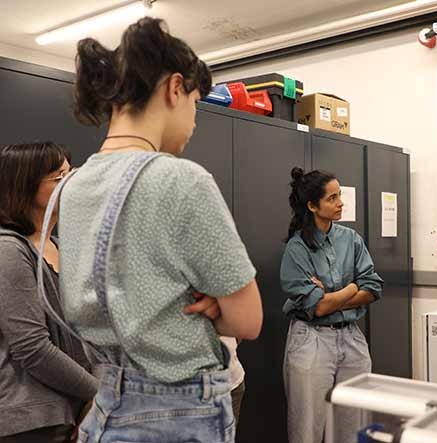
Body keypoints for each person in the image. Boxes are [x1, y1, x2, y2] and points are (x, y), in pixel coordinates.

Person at [56, 17, 262, 443]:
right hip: (181, 413)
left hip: (106, 404)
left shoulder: (72, 186)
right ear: (174, 88)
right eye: (195, 103)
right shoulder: (182, 180)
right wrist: (209, 301)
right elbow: (248, 319)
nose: (194, 120)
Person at [0, 142, 97, 443]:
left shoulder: (61, 246)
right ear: (25, 186)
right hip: (30, 421)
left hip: (73, 411)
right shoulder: (9, 248)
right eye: (59, 176)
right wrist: (101, 393)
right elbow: (32, 347)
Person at [280, 167, 383, 443]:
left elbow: (373, 287)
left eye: (340, 196)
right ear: (313, 206)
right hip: (312, 340)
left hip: (351, 337)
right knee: (307, 428)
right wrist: (352, 288)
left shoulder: (351, 239)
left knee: (353, 424)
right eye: (332, 198)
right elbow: (319, 308)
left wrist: (333, 296)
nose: (340, 203)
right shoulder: (297, 248)